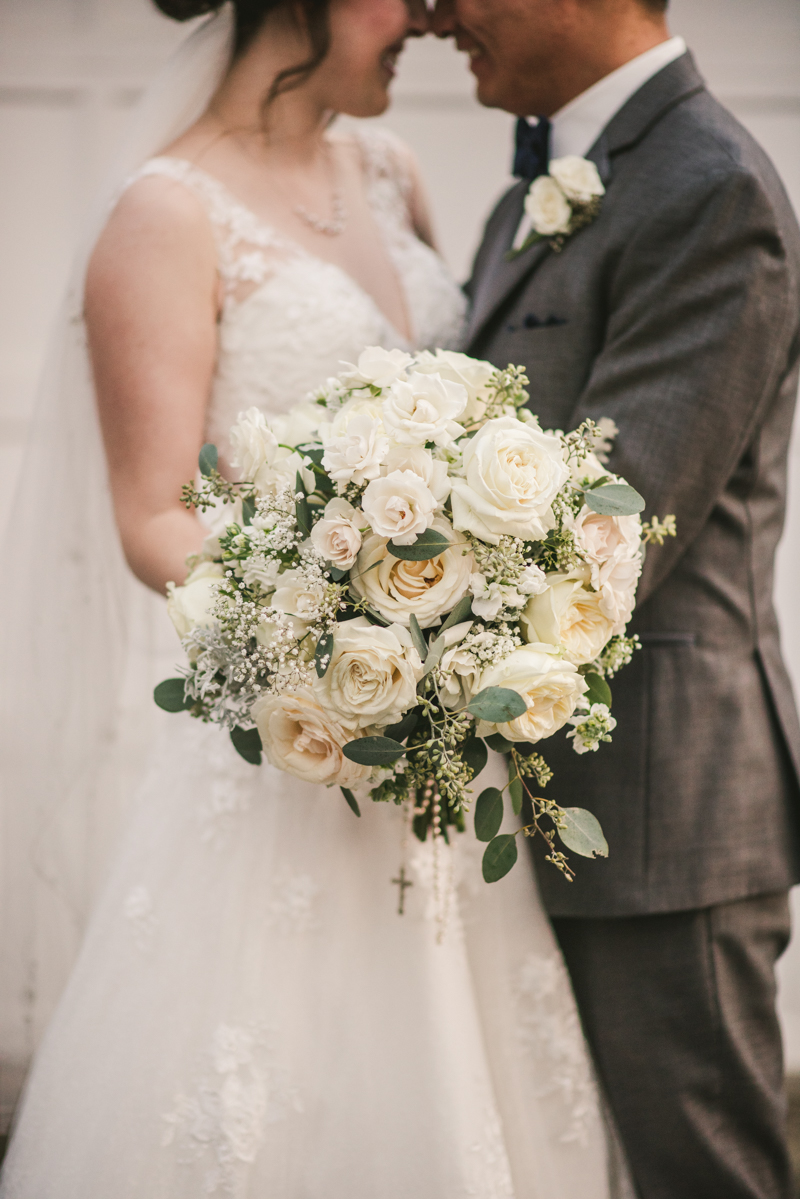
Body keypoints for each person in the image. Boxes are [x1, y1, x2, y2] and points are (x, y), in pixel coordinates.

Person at [0, 3, 626, 1196]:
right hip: (295, 743)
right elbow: (153, 514)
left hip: (445, 743)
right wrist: (334, 622)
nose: (430, 15)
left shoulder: (385, 170)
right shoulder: (165, 211)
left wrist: (478, 607)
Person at [432, 0, 800, 1196]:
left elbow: (612, 524)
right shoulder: (525, 193)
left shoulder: (708, 187)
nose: (434, 13)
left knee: (698, 1170)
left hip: (658, 803)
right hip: (528, 793)